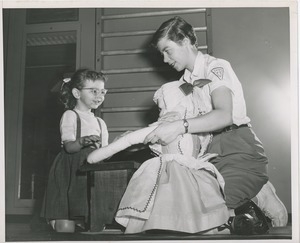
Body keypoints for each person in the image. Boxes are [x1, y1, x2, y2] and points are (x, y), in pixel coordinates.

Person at [144, 16, 288, 228]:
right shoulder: (185, 82)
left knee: (209, 211)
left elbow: (223, 115)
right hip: (209, 151)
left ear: (184, 41)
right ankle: (248, 195)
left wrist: (181, 124)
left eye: (168, 50)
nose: (165, 60)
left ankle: (257, 195)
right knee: (188, 204)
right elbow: (190, 112)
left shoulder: (216, 67)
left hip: (238, 146)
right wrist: (175, 116)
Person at [88, 79, 231, 234]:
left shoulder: (198, 127)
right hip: (174, 172)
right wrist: (99, 155)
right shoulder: (164, 128)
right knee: (165, 211)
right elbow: (129, 140)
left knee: (194, 210)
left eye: (163, 106)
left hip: (190, 171)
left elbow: (128, 140)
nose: (162, 111)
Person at [40, 68, 109, 232]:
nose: (99, 96)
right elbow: (69, 148)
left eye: (103, 91)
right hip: (70, 169)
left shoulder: (100, 122)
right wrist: (82, 141)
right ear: (77, 93)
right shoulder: (71, 115)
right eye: (93, 91)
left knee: (90, 220)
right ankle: (56, 221)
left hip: (89, 173)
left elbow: (105, 153)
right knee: (65, 225)